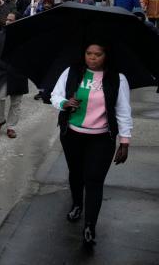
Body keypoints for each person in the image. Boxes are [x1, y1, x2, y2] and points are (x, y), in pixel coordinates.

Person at [51, 42, 132, 250]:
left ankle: (89, 227)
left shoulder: (117, 78)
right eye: (89, 53)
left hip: (101, 138)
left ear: (106, 56)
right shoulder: (71, 72)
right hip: (72, 135)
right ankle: (77, 204)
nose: (93, 58)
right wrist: (64, 103)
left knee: (94, 180)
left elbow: (123, 110)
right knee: (76, 174)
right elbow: (55, 95)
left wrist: (124, 140)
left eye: (98, 54)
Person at [0, 12, 28, 138]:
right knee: (0, 98)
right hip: (2, 73)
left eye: (11, 20)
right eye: (7, 19)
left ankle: (11, 127)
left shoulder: (25, 37)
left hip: (18, 75)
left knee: (16, 103)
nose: (8, 22)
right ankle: (0, 120)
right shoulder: (0, 35)